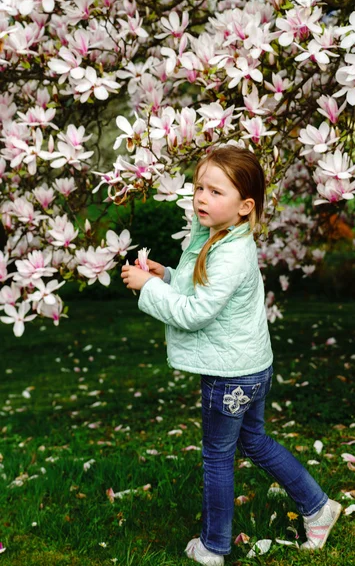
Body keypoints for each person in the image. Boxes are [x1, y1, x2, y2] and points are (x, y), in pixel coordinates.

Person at [121, 146, 341, 566]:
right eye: (199, 187)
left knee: (218, 456)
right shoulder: (218, 235)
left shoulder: (231, 252)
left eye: (215, 191)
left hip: (231, 376)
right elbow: (195, 281)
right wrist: (164, 275)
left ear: (244, 206)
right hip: (250, 366)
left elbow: (196, 311)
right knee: (254, 441)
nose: (201, 197)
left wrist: (147, 289)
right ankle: (317, 507)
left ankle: (214, 546)